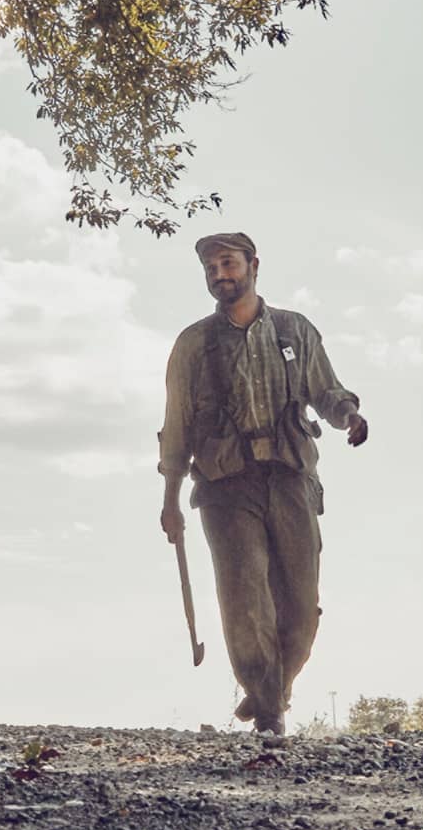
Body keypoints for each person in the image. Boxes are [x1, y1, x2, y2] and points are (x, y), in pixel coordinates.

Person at [158, 232, 368, 740]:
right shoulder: (193, 344)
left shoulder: (294, 331)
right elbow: (177, 423)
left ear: (253, 265)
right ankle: (270, 711)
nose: (219, 275)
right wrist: (170, 501)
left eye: (228, 264)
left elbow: (327, 389)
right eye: (210, 268)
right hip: (224, 483)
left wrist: (349, 417)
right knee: (244, 596)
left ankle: (272, 690)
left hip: (291, 475)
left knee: (300, 605)